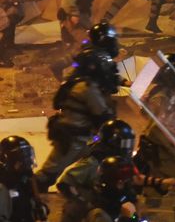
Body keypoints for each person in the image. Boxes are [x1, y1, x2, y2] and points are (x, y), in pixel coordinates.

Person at [36, 47, 118, 190]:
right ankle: (29, 192)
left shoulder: (78, 82)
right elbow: (102, 113)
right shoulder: (87, 88)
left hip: (77, 136)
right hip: (73, 137)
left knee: (96, 156)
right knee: (49, 172)